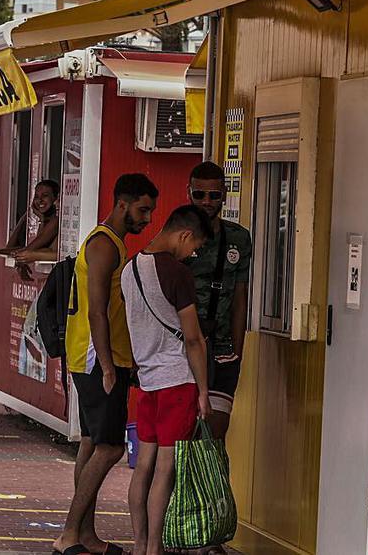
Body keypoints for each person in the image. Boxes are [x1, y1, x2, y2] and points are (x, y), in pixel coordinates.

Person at [52, 173, 158, 555]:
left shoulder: (110, 243)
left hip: (99, 356)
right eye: (143, 210)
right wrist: (111, 367)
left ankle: (85, 535)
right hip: (98, 357)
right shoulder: (104, 245)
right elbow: (97, 310)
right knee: (111, 448)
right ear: (122, 204)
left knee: (92, 443)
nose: (147, 219)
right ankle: (68, 534)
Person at [120, 205, 212, 555]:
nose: (194, 254)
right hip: (176, 382)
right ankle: (155, 548)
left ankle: (140, 544)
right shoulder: (177, 273)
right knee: (165, 469)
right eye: (195, 246)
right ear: (184, 234)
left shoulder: (130, 269)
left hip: (147, 382)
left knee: (143, 465)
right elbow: (192, 339)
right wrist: (203, 391)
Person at [185, 162, 252, 442]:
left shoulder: (238, 238)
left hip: (223, 347)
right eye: (199, 194)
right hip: (182, 349)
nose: (207, 202)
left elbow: (240, 299)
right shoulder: (178, 236)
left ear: (225, 194)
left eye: (214, 195)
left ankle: (212, 485)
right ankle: (182, 487)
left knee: (215, 431)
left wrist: (237, 351)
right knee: (184, 433)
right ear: (188, 193)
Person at [0, 179, 60, 279]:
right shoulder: (47, 221)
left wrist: (17, 260)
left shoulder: (56, 221)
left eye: (45, 196)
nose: (40, 200)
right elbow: (14, 247)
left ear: (56, 198)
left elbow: (31, 249)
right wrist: (25, 217)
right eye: (36, 197)